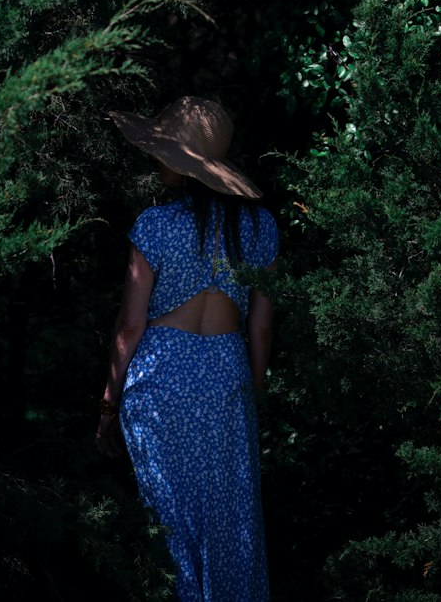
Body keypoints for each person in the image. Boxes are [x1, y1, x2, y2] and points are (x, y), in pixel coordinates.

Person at [97, 95, 278, 602]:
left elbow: (129, 328)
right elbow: (261, 327)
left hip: (160, 381)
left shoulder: (154, 226)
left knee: (170, 519)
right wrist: (255, 389)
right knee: (229, 516)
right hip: (226, 376)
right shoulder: (260, 229)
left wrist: (108, 404)